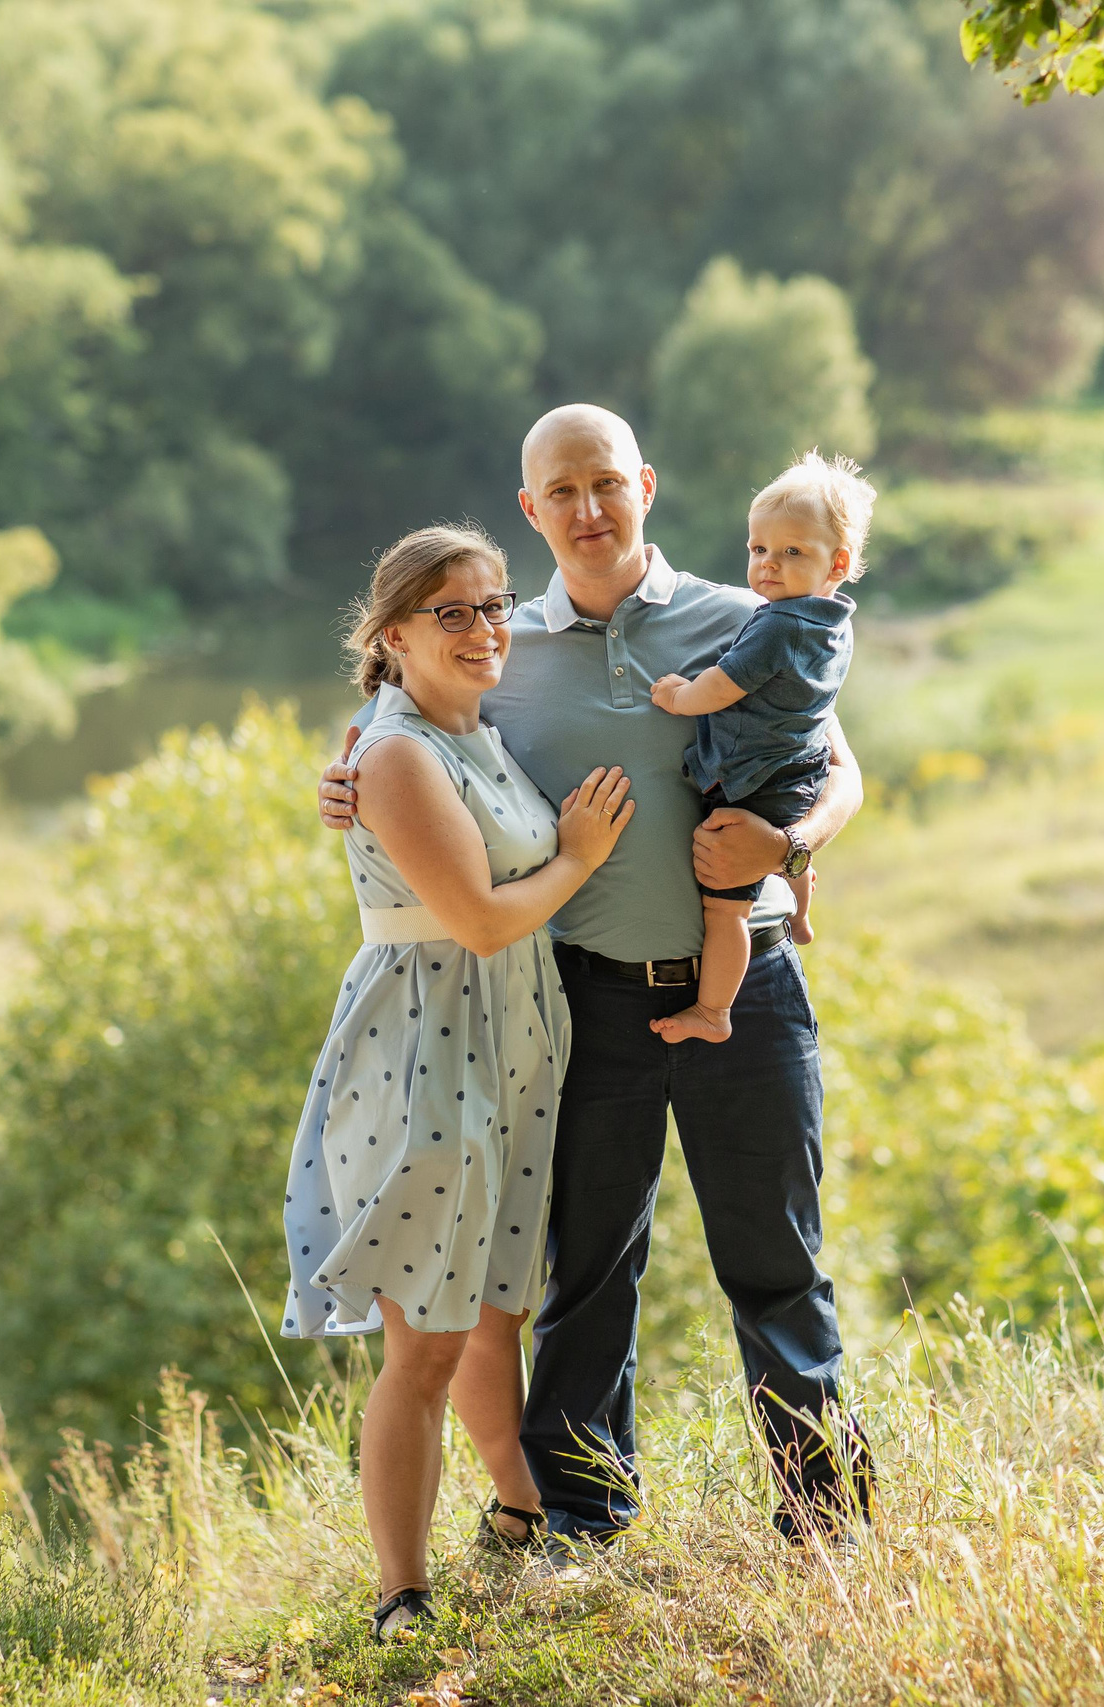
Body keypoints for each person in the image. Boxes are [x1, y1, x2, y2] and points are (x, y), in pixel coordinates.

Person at [320, 404, 875, 1551]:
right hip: (584, 1002)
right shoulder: (499, 648)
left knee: (777, 1264)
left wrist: (791, 842)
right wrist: (343, 779)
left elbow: (842, 772)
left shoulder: (746, 619)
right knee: (585, 1277)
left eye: (606, 483)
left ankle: (825, 1520)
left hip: (750, 992)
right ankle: (581, 1521)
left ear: (645, 487)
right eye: (562, 491)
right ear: (531, 509)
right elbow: (404, 726)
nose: (587, 508)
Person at [281, 523, 634, 1641]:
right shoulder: (393, 755)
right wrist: (578, 857)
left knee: (491, 1312)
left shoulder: (473, 727)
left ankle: (523, 1513)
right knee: (426, 1340)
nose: (485, 628)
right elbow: (480, 921)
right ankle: (402, 1594)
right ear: (392, 635)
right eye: (453, 612)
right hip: (425, 1053)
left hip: (509, 1044)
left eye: (493, 605)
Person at [646, 452, 871, 1046]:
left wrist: (678, 696)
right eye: (759, 548)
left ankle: (714, 1010)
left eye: (792, 551)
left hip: (755, 780)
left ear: (837, 563)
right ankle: (800, 911)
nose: (769, 563)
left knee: (727, 910)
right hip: (801, 771)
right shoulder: (834, 621)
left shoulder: (778, 625)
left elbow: (724, 685)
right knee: (787, 848)